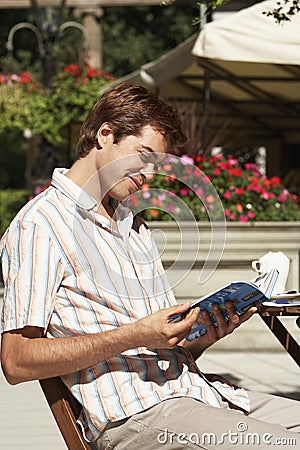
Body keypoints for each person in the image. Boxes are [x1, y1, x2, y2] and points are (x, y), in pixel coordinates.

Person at [0, 82, 299, 450]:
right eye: (143, 156)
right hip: (140, 416)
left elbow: (161, 343)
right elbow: (16, 361)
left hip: (201, 394)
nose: (149, 174)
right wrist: (135, 335)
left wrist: (203, 334)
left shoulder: (135, 229)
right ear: (105, 134)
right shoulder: (40, 225)